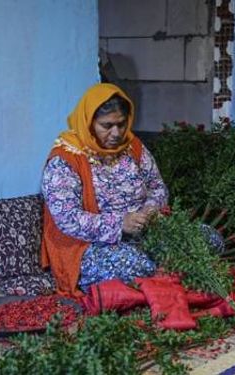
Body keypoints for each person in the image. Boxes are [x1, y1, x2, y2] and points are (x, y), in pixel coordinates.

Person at [40, 83, 168, 297]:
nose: (116, 133)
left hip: (142, 234)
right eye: (106, 125)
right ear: (89, 122)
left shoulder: (132, 146)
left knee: (206, 240)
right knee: (136, 266)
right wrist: (121, 224)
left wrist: (150, 210)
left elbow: (157, 187)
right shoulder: (65, 158)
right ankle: (155, 274)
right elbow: (67, 218)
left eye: (121, 123)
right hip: (87, 246)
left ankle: (154, 273)